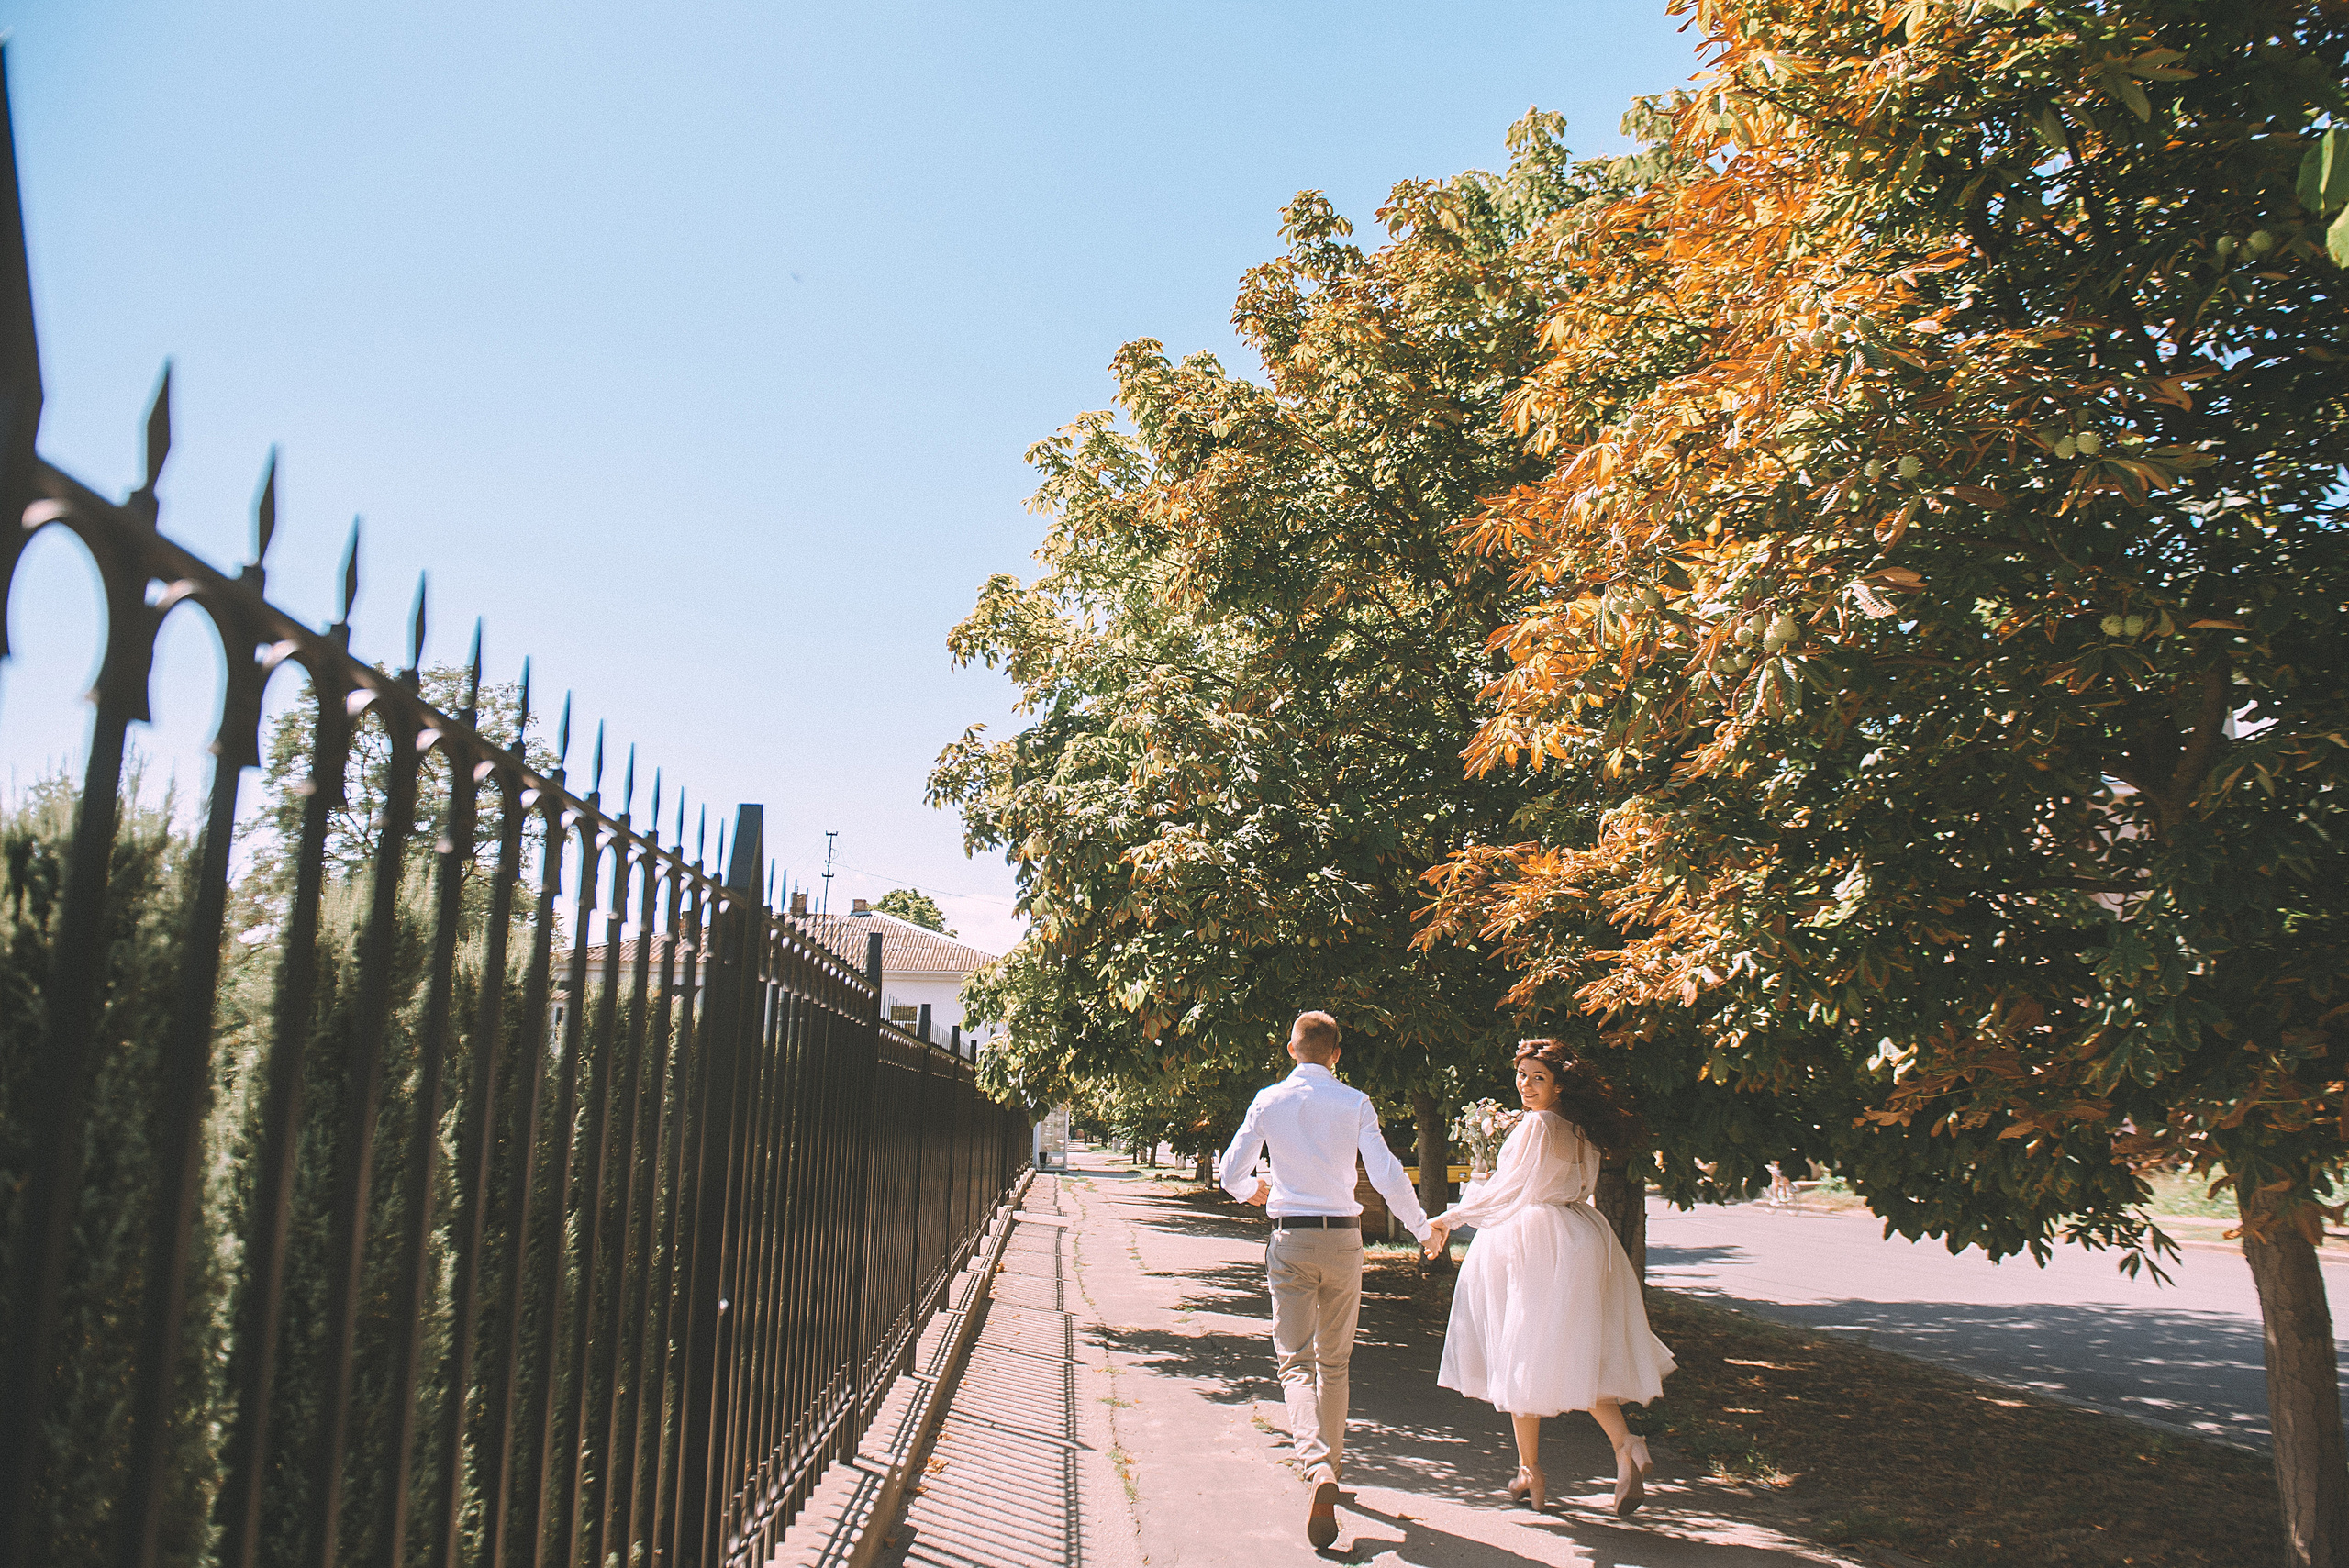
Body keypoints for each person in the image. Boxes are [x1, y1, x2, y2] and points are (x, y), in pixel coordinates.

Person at [1420, 1040, 1675, 1516]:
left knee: (1523, 1352)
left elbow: (1505, 1192)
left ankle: (1530, 1471)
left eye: (1538, 1078)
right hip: (1582, 1234)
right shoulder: (1581, 1130)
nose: (1527, 1085)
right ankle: (1627, 1447)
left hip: (1536, 1241)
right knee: (1578, 1350)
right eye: (1522, 1076)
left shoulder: (1536, 1126)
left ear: (1559, 1083)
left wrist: (1447, 1219)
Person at [1219, 1010, 1432, 1549]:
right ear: (1336, 1054)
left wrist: (1252, 1192)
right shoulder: (1355, 1102)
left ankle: (1316, 1468)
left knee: (1295, 1362)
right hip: (1345, 1240)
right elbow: (1385, 1172)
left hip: (1290, 1240)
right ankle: (1329, 1471)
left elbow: (1230, 1172)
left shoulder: (1269, 1100)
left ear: (1291, 1050)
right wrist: (1422, 1228)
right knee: (1335, 1364)